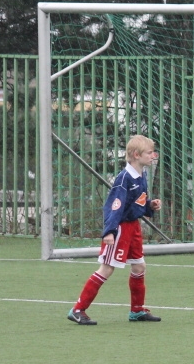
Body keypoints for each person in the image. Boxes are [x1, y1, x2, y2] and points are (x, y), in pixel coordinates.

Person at [67, 135, 162, 326]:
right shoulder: (124, 178)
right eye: (150, 152)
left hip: (133, 227)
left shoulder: (141, 174)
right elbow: (114, 206)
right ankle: (78, 309)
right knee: (107, 268)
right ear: (136, 155)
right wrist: (109, 231)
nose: (153, 156)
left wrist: (150, 206)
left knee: (139, 267)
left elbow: (136, 203)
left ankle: (136, 311)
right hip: (120, 229)